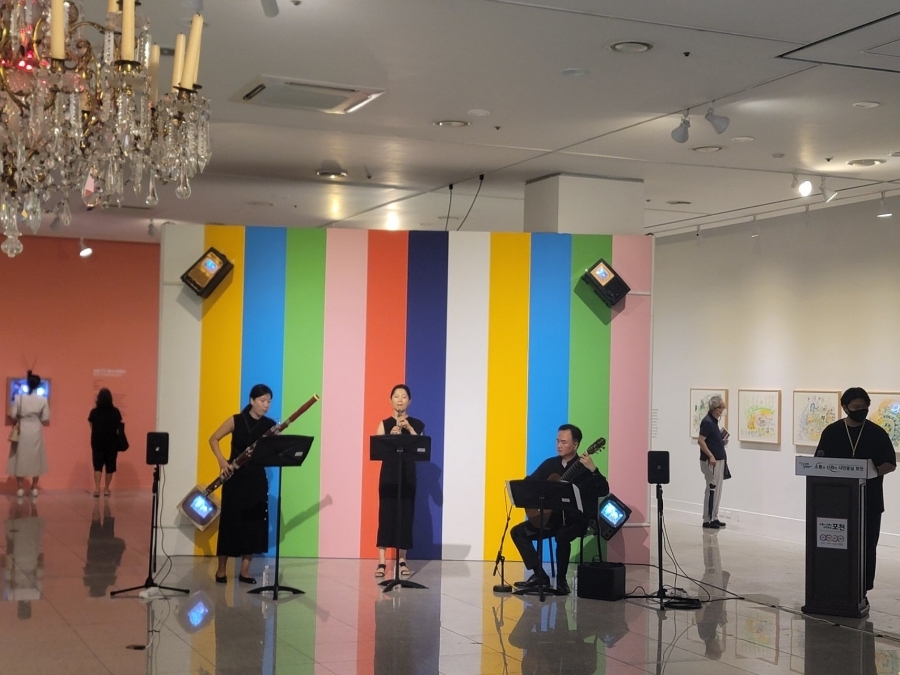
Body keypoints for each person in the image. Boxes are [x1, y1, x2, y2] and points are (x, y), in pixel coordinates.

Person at [511, 424, 609, 595]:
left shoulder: (585, 468)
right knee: (518, 532)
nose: (559, 445)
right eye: (558, 441)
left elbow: (603, 490)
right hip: (551, 519)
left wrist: (593, 469)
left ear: (576, 445)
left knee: (562, 536)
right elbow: (530, 483)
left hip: (576, 520)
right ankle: (540, 576)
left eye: (564, 442)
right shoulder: (550, 464)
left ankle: (561, 580)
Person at [815, 387, 896, 595]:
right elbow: (819, 462)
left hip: (870, 500)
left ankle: (862, 591)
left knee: (867, 547)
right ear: (845, 407)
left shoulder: (877, 433)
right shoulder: (832, 432)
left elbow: (890, 463)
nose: (861, 411)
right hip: (836, 502)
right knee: (837, 547)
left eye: (864, 407)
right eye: (856, 407)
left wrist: (870, 472)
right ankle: (834, 587)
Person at [209, 384, 277, 584]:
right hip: (235, 478)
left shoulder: (269, 425)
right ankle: (222, 569)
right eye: (262, 401)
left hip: (257, 480)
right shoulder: (236, 420)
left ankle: (245, 571)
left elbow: (276, 449)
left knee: (253, 524)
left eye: (269, 402)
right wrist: (222, 461)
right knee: (230, 523)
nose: (266, 405)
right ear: (252, 401)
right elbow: (213, 439)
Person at [374, 384, 425, 579]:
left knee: (406, 514)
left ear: (409, 401)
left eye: (404, 397)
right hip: (389, 475)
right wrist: (391, 437)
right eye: (396, 396)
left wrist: (409, 428)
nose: (400, 400)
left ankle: (402, 560)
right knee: (386, 514)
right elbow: (377, 450)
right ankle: (382, 561)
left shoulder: (417, 424)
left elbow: (421, 448)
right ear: (391, 400)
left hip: (408, 475)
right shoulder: (384, 423)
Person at [6, 371, 50, 498]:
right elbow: (45, 417)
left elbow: (13, 415)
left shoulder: (19, 398)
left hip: (22, 429)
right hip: (36, 430)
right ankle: (34, 488)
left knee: (19, 457)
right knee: (36, 457)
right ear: (38, 384)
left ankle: (20, 488)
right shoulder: (43, 400)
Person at [698, 395, 730, 529]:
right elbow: (701, 441)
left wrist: (721, 442)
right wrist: (710, 456)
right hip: (711, 462)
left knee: (717, 490)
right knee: (711, 490)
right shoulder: (707, 422)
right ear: (715, 408)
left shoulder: (714, 422)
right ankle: (707, 519)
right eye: (721, 407)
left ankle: (714, 517)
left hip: (719, 460)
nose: (722, 410)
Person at [87, 388, 123, 497]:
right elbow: (118, 426)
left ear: (98, 398)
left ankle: (97, 488)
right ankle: (106, 489)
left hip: (97, 441)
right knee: (110, 466)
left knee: (97, 466)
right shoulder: (115, 412)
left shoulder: (94, 412)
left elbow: (91, 426)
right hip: (112, 442)